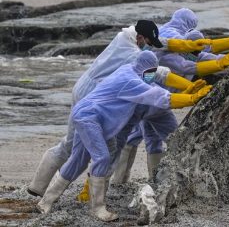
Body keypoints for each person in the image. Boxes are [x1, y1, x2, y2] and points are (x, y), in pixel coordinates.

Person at [28, 19, 212, 197]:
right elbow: (158, 75)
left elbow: (163, 45)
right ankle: (76, 192)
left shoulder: (124, 37)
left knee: (74, 144)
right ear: (140, 37)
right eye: (148, 42)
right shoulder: (132, 55)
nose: (150, 46)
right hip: (92, 95)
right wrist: (188, 91)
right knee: (92, 147)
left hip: (86, 89)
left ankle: (39, 187)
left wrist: (188, 51)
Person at [37, 51, 212, 222]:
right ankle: (97, 208)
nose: (152, 75)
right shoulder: (130, 81)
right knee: (102, 157)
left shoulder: (130, 68)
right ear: (143, 69)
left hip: (84, 113)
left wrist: (187, 89)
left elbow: (158, 79)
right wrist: (191, 99)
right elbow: (157, 95)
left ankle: (45, 202)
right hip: (89, 117)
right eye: (150, 72)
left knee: (79, 159)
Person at [111, 29, 229, 184]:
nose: (195, 55)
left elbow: (211, 55)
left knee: (155, 140)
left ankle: (153, 180)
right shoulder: (170, 56)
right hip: (152, 103)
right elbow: (186, 67)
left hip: (159, 106)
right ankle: (121, 181)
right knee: (164, 139)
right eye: (192, 51)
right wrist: (192, 95)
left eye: (197, 52)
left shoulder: (196, 55)